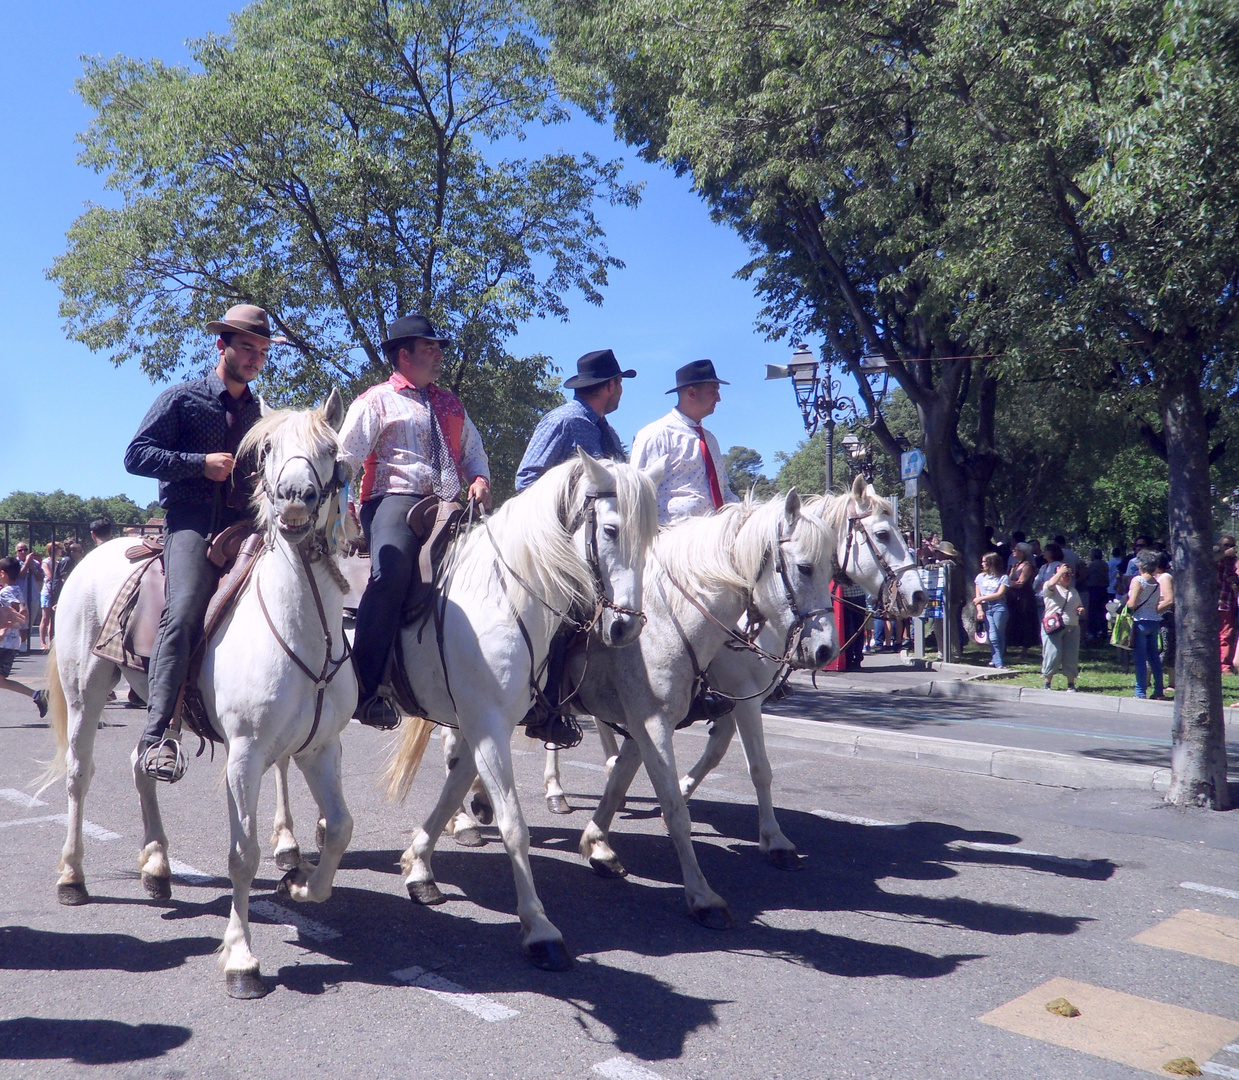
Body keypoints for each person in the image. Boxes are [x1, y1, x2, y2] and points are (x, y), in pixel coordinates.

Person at [124, 303, 277, 782]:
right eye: (247, 347)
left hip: (244, 524)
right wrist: (199, 463)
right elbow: (135, 455)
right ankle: (157, 736)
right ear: (222, 345)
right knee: (186, 607)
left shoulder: (261, 413)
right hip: (191, 519)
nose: (254, 358)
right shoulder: (182, 399)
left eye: (262, 351)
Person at [338, 313, 491, 731]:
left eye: (438, 347)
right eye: (430, 347)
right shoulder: (375, 401)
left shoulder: (451, 403)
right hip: (392, 499)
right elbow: (345, 458)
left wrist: (479, 479)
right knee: (390, 574)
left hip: (450, 503)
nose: (439, 354)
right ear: (403, 355)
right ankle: (364, 689)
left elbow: (473, 452)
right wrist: (341, 511)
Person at [513, 348, 635, 744]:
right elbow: (526, 478)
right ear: (611, 385)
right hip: (559, 541)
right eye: (620, 385)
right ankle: (546, 708)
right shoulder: (565, 421)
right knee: (566, 616)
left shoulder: (603, 428)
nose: (621, 393)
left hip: (598, 542)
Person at [631, 359, 739, 525]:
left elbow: (723, 490)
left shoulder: (710, 440)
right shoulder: (656, 435)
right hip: (671, 540)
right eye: (713, 391)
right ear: (692, 393)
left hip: (715, 538)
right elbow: (637, 493)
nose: (719, 398)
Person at [515, 350, 633, 491]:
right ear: (611, 385)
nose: (621, 390)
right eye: (620, 382)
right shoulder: (563, 422)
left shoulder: (609, 433)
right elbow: (527, 481)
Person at [0, 557, 48, 716]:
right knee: (1, 681)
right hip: (10, 642)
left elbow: (16, 610)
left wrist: (5, 628)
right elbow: (22, 610)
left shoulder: (6, 592)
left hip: (3, 642)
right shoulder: (17, 589)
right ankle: (38, 695)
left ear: (2, 574)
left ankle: (38, 695)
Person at [1127, 548, 1168, 699]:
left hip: (1140, 621)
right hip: (1154, 621)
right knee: (1154, 658)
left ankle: (1140, 690)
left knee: (1140, 658)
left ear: (1141, 565)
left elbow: (1132, 604)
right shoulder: (1156, 583)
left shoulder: (1138, 580)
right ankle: (1159, 690)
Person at [1040, 561, 1085, 691]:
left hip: (1072, 626)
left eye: (1070, 574)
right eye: (1065, 574)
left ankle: (1071, 684)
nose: (1068, 577)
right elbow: (1050, 585)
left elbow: (1079, 605)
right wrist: (1060, 571)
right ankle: (1047, 682)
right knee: (1052, 654)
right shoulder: (1052, 588)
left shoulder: (1073, 591)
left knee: (1071, 656)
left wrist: (1081, 609)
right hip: (1054, 627)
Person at [973, 552, 1010, 668]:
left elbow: (999, 594)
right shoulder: (980, 577)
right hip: (986, 608)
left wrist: (981, 598)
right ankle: (999, 663)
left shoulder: (1003, 578)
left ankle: (995, 659)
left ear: (992, 563)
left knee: (999, 635)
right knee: (993, 637)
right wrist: (979, 610)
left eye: (985, 562)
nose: (982, 564)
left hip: (999, 607)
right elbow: (976, 598)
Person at [1005, 543, 1038, 650]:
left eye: (1016, 549)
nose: (1013, 551)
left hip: (1024, 597)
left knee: (1025, 620)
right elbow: (1009, 579)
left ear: (1022, 552)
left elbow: (1021, 583)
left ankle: (1025, 648)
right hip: (1013, 596)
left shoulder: (1027, 565)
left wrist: (1006, 584)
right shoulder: (1014, 565)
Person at [12, 542, 42, 652]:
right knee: (21, 620)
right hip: (20, 595)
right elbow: (20, 575)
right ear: (17, 552)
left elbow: (40, 577)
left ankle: (24, 641)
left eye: (25, 549)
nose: (23, 552)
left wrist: (33, 567)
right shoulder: (14, 563)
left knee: (30, 620)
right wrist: (26, 564)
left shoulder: (34, 563)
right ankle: (21, 643)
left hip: (33, 595)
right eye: (20, 550)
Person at [1082, 547, 1111, 640]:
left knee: (1093, 612)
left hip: (1094, 589)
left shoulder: (1092, 565)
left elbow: (1086, 575)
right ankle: (1104, 631)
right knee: (1103, 611)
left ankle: (1093, 632)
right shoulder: (1105, 564)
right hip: (1103, 589)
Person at [1218, 538, 1237, 674]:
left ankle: (1225, 666)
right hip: (1213, 602)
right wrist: (1224, 554)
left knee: (1227, 635)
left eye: (1232, 546)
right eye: (1226, 545)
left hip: (1229, 602)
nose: (1229, 548)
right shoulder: (1214, 558)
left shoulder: (1235, 562)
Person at [38, 543, 58, 649]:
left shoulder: (58, 562)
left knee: (52, 619)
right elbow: (50, 576)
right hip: (47, 592)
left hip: (54, 592)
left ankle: (51, 642)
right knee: (45, 618)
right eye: (58, 548)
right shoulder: (46, 562)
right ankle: (42, 642)